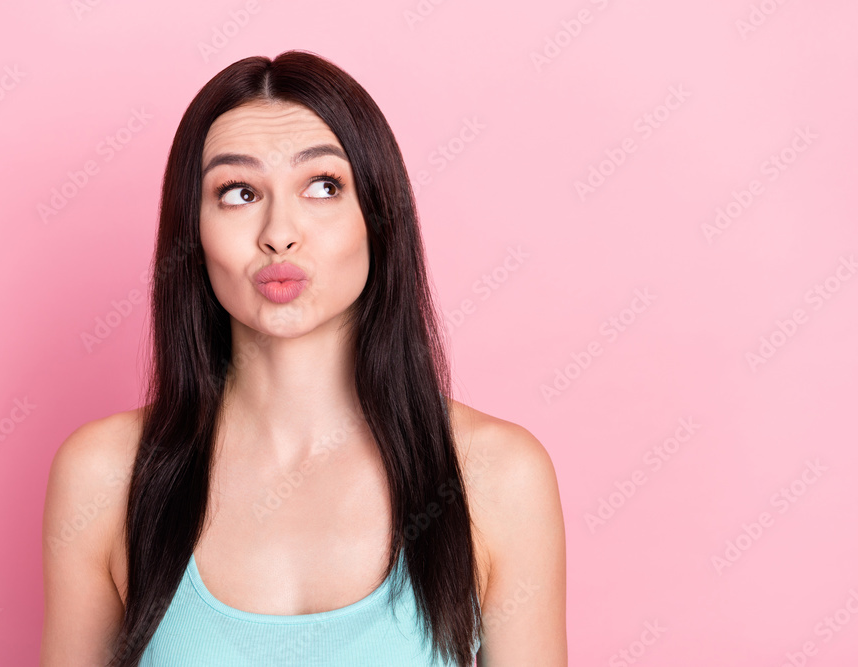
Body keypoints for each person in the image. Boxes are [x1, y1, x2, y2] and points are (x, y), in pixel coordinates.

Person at [41, 50, 566, 666]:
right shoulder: (104, 476)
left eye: (323, 186)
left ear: (377, 214)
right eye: (238, 192)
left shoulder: (498, 476)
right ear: (193, 228)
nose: (279, 232)